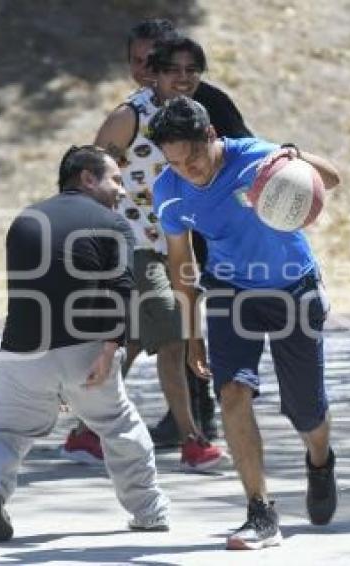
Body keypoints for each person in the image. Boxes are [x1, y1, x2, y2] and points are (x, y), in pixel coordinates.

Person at [148, 96, 341, 550]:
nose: (188, 169)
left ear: (212, 135)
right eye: (175, 162)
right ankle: (260, 511)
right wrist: (192, 334)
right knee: (232, 392)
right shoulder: (169, 190)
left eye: (193, 156)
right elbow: (182, 263)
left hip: (295, 289)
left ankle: (320, 460)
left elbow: (330, 179)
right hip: (231, 292)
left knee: (305, 409)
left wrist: (295, 156)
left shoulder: (256, 157)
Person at [0, 145, 169, 542]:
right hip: (86, 347)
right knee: (117, 425)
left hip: (22, 350)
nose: (121, 191)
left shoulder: (25, 220)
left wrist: (8, 357)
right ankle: (149, 511)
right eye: (115, 179)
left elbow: (24, 291)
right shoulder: (110, 224)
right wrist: (112, 347)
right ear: (87, 178)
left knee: (6, 433)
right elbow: (124, 290)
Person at [64, 35, 229, 472]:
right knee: (174, 337)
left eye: (192, 70)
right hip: (131, 244)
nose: (184, 77)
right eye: (174, 69)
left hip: (169, 243)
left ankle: (83, 431)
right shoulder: (129, 116)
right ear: (152, 73)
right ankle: (193, 442)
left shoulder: (194, 117)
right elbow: (88, 173)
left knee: (132, 342)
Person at [126, 18, 253, 448]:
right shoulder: (138, 110)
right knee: (171, 319)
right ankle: (188, 416)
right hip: (165, 229)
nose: (180, 78)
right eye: (163, 68)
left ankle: (203, 416)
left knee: (194, 317)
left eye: (188, 69)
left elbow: (246, 154)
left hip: (213, 229)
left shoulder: (213, 102)